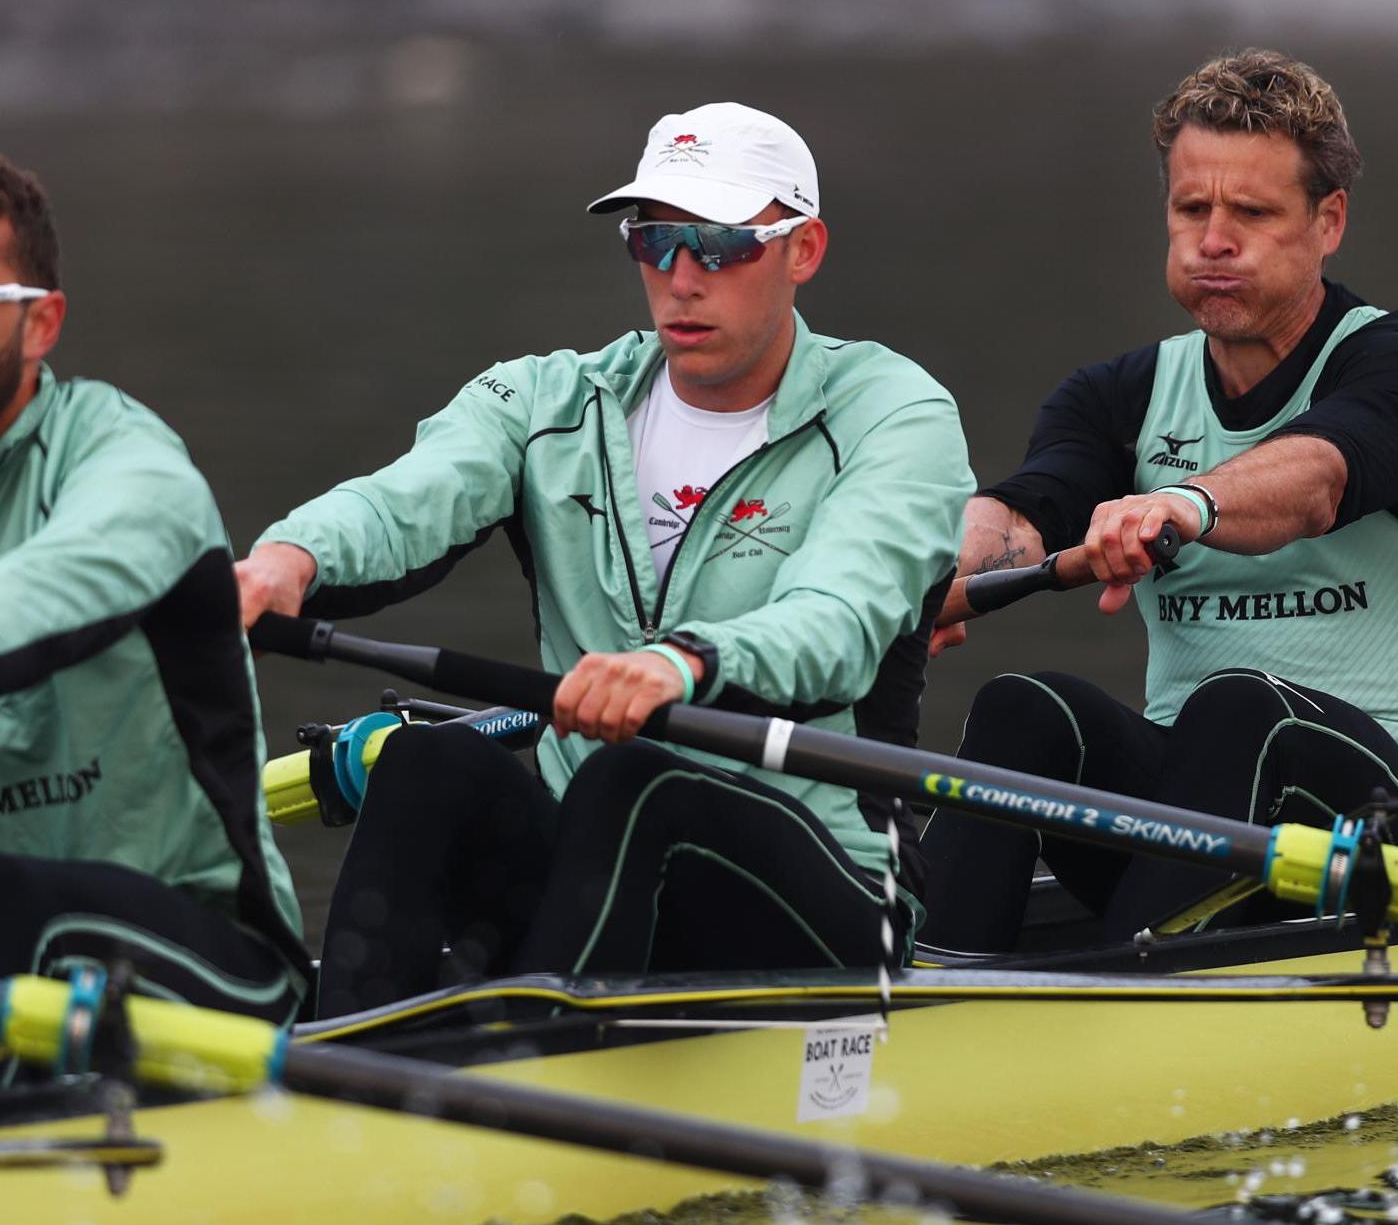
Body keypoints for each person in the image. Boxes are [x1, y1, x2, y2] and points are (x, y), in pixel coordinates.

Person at [235, 103, 972, 1015]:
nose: (681, 278)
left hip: (832, 887)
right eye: (655, 241)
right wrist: (287, 560)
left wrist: (683, 662)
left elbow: (842, 614)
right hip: (593, 854)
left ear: (803, 249)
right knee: (427, 766)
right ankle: (344, 1061)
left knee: (639, 780)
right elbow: (405, 497)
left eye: (717, 244)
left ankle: (528, 1061)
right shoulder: (550, 401)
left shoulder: (894, 413)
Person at [919, 49, 1398, 955]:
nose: (1213, 240)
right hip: (1198, 816)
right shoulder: (1116, 396)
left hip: (1388, 827)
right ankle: (933, 987)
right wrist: (915, 582)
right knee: (1025, 708)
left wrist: (1182, 505)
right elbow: (1024, 517)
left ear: (1328, 221)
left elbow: (1315, 481)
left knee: (1240, 708)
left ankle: (1125, 997)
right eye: (1192, 210)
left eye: (1252, 213)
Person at [0, 150, 309, 1094]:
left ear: (41, 324)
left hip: (217, 970)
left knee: (4, 897)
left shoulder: (134, 468)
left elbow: (61, 580)